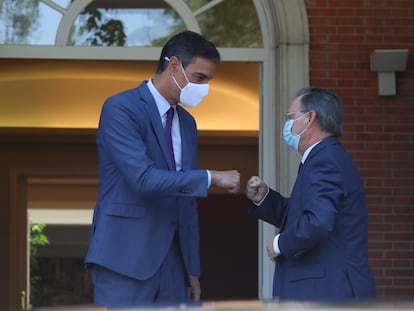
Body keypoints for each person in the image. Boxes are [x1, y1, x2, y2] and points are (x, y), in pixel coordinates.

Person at [85, 31, 240, 308]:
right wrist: (211, 177)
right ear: (173, 66)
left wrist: (192, 269)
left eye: (208, 80)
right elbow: (143, 179)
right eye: (200, 78)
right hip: (124, 257)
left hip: (174, 264)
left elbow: (186, 202)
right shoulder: (120, 108)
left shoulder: (188, 123)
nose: (204, 88)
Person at [246, 87, 376, 304]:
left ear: (310, 118)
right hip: (326, 289)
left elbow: (317, 221)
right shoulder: (324, 157)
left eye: (291, 117)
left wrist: (278, 244)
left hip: (327, 292)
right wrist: (264, 197)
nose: (287, 125)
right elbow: (306, 215)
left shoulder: (324, 160)